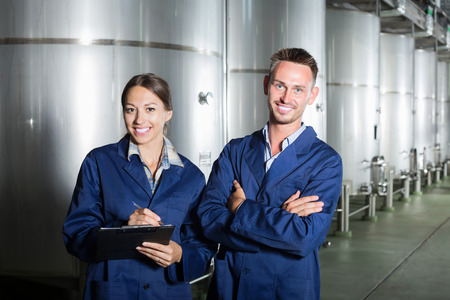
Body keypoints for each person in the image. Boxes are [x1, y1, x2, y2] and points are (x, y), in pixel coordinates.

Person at [197, 48, 343, 300]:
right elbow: (208, 217)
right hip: (230, 286)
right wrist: (279, 223)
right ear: (267, 84)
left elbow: (304, 238)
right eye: (280, 85)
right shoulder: (235, 150)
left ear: (312, 95)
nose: (287, 97)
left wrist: (241, 209)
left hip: (286, 291)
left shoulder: (326, 161)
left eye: (298, 89)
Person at [63, 73, 216, 300]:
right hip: (113, 292)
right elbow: (76, 235)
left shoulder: (191, 176)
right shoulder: (98, 162)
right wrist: (123, 227)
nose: (139, 120)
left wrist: (180, 254)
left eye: (150, 109)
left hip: (167, 292)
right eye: (130, 109)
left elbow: (204, 246)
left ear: (168, 112)